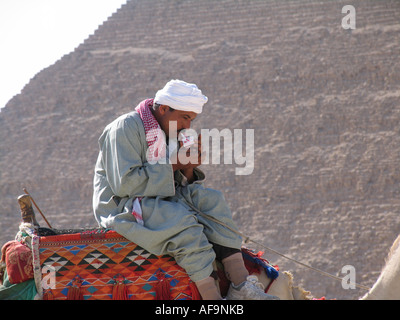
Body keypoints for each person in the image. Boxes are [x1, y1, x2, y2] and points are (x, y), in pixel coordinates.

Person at [92, 79, 278, 300]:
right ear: (163, 109)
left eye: (191, 119)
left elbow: (180, 182)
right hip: (123, 204)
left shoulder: (170, 131)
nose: (188, 126)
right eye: (185, 117)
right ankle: (212, 298)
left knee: (212, 201)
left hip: (160, 196)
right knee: (181, 220)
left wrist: (188, 167)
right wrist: (175, 164)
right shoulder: (124, 127)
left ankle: (241, 286)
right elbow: (125, 184)